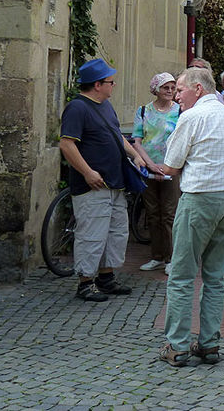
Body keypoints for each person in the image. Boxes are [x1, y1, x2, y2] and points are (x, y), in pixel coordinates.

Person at [157, 67, 224, 366]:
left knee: (181, 274)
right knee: (215, 276)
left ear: (197, 88)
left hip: (200, 198)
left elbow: (170, 165)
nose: (177, 95)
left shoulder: (192, 117)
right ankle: (209, 343)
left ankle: (178, 345)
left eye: (180, 89)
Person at [59, 58, 144, 302]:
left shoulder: (106, 106)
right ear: (97, 85)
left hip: (115, 182)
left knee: (117, 232)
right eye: (110, 81)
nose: (113, 85)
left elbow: (117, 135)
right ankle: (85, 282)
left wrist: (135, 155)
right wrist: (87, 171)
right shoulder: (77, 108)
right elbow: (67, 144)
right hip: (93, 185)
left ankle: (106, 277)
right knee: (92, 233)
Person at [132, 72, 181, 274]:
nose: (170, 91)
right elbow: (137, 140)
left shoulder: (180, 111)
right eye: (165, 88)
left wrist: (168, 165)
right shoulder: (144, 111)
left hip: (172, 168)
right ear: (156, 89)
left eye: (172, 87)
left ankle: (171, 258)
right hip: (148, 168)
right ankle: (156, 256)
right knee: (152, 213)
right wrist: (150, 164)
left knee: (169, 214)